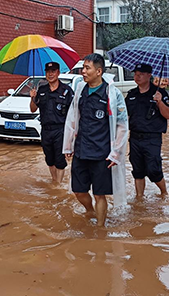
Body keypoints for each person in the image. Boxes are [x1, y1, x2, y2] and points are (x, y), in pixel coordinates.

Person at [63, 53, 128, 227]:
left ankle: (100, 229)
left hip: (102, 154)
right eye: (83, 68)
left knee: (100, 194)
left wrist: (116, 153)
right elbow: (72, 119)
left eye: (87, 68)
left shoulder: (112, 94)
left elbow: (122, 125)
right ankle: (89, 210)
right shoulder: (80, 91)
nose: (83, 71)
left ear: (98, 71)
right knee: (78, 191)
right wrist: (68, 145)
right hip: (81, 150)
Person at [126, 64, 169, 198]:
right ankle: (139, 197)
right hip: (134, 137)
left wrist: (159, 102)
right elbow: (124, 115)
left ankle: (164, 192)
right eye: (136, 74)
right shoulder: (131, 94)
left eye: (141, 74)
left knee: (153, 169)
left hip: (152, 138)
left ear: (149, 75)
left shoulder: (160, 93)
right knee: (137, 170)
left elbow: (168, 115)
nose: (137, 76)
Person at [29, 62, 74, 183]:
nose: (50, 74)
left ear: (58, 73)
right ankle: (54, 181)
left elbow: (74, 113)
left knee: (60, 160)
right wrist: (32, 97)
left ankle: (58, 185)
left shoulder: (66, 91)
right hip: (45, 130)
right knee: (49, 159)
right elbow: (33, 109)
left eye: (53, 71)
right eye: (48, 72)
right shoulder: (42, 90)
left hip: (61, 130)